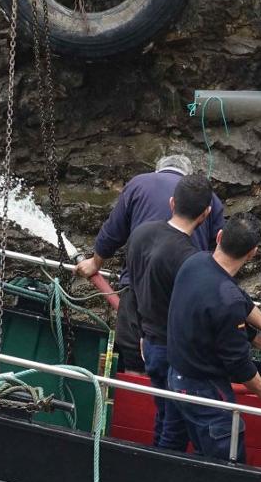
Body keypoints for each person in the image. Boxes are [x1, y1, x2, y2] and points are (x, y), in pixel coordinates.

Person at [74, 155, 224, 372]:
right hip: (183, 290)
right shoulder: (210, 199)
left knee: (133, 350)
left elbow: (112, 231)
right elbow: (218, 248)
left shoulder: (138, 185)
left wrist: (96, 264)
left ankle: (136, 387)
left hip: (138, 286)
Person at [166, 213, 261, 463]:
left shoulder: (196, 262)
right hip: (204, 388)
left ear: (219, 236)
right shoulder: (226, 300)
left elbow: (239, 303)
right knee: (227, 461)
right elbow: (239, 364)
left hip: (176, 376)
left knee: (198, 451)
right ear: (253, 252)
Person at [124, 174, 215, 451]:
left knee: (164, 416)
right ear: (206, 214)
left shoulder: (140, 235)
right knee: (175, 427)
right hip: (175, 352)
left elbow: (135, 287)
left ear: (172, 202)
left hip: (148, 343)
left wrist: (141, 330)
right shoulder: (191, 260)